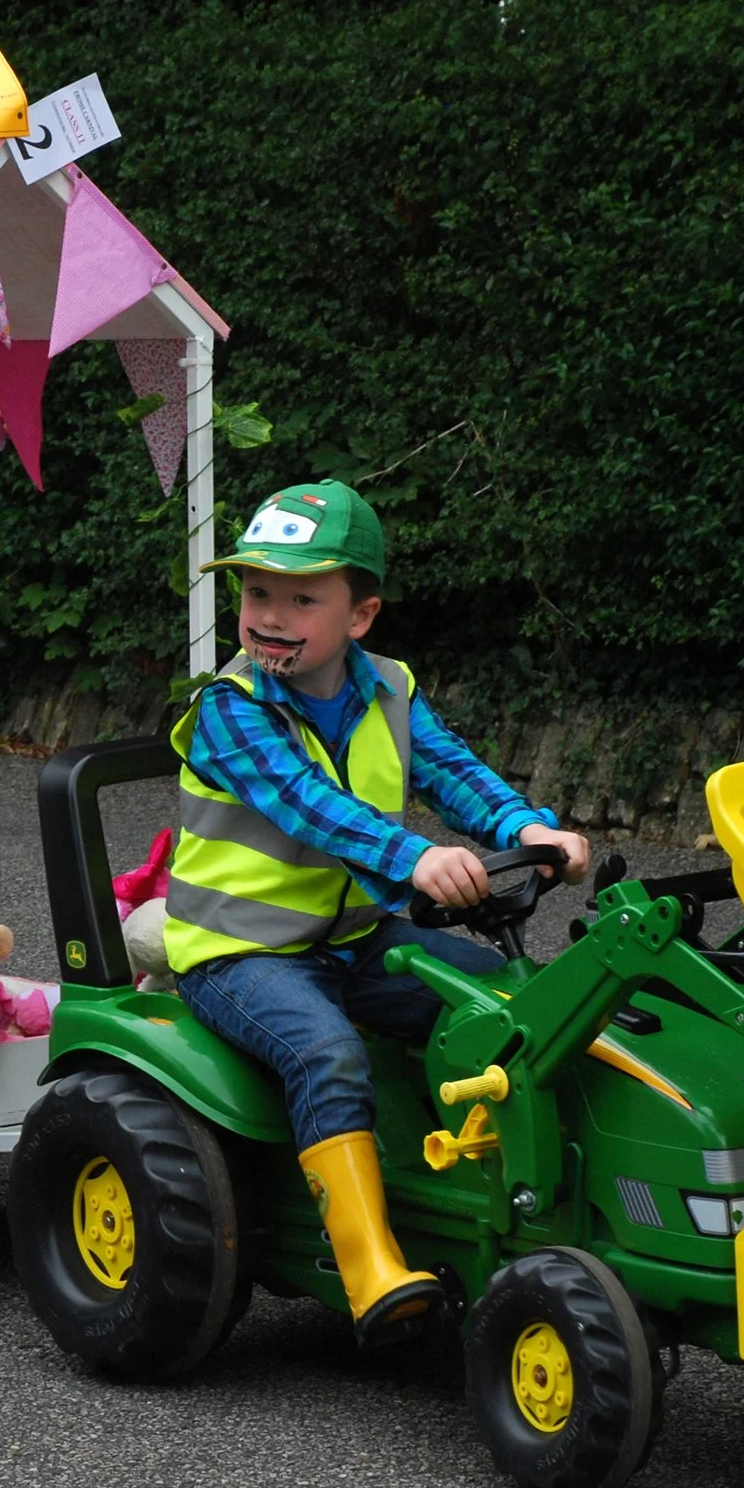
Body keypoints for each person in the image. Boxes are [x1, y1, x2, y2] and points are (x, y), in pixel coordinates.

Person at [164, 481, 593, 1347]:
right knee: (325, 1051)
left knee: (514, 1007)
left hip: (357, 939)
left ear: (359, 616)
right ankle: (371, 1271)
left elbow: (451, 771)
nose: (270, 616)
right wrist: (418, 860)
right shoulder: (230, 710)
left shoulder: (390, 687)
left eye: (301, 597)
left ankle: (504, 1200)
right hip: (239, 954)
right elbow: (313, 807)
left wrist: (529, 828)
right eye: (255, 594)